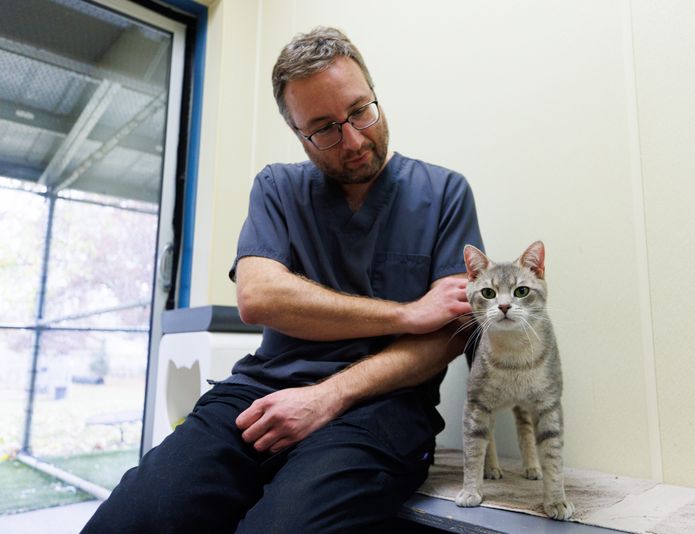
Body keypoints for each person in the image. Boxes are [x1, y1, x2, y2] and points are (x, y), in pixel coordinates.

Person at [83, 26, 483, 533]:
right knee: (129, 522)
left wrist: (326, 397)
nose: (355, 139)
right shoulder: (278, 187)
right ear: (298, 134)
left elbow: (449, 333)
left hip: (380, 409)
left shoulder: (445, 192)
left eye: (361, 110)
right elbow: (259, 295)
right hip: (259, 394)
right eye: (324, 129)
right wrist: (405, 313)